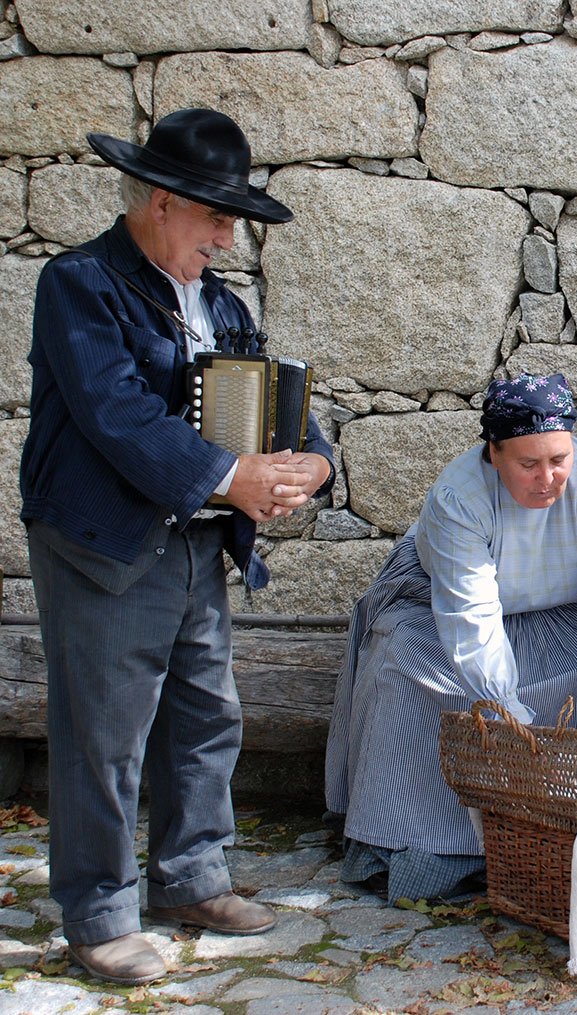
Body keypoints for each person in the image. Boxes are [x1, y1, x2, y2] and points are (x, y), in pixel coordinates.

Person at [21, 109, 334, 985]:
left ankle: (191, 879)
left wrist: (313, 460)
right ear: (162, 202)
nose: (228, 238)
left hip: (195, 542)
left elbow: (269, 403)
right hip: (104, 544)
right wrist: (232, 476)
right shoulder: (79, 284)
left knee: (205, 716)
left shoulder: (222, 304)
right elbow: (116, 414)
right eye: (217, 217)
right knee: (104, 734)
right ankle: (99, 914)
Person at [324, 373, 577, 903]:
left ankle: (568, 839)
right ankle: (426, 848)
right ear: (494, 453)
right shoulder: (459, 496)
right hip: (437, 605)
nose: (548, 478)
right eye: (528, 464)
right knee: (408, 670)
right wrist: (508, 715)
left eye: (559, 459)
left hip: (558, 609)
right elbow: (471, 612)